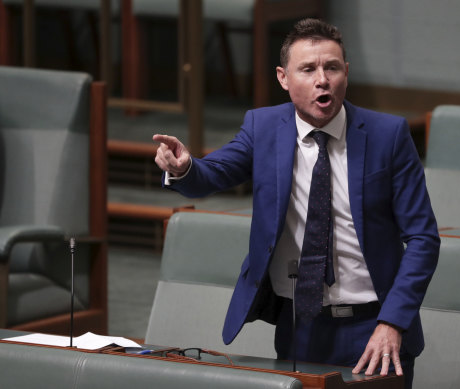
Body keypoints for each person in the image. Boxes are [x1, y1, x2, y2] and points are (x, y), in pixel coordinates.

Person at [153, 18, 439, 388]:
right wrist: (185, 167)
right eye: (308, 69)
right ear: (283, 77)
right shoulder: (264, 128)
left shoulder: (388, 135)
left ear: (346, 73)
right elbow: (214, 173)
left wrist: (393, 321)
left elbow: (423, 238)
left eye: (332, 68)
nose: (323, 79)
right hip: (299, 322)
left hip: (374, 324)